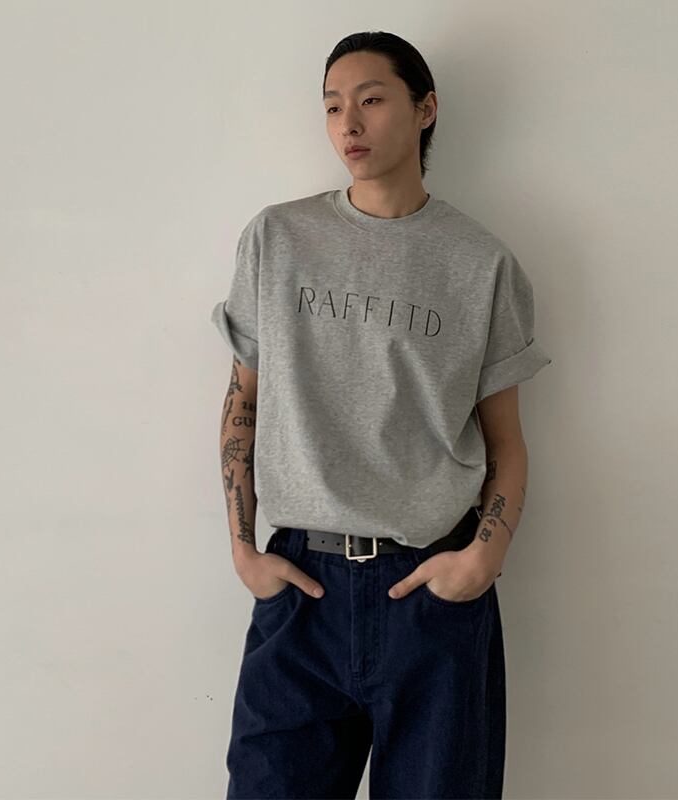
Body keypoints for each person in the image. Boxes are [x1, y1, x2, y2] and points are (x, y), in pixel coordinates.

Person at [211, 30, 553, 800]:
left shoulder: (482, 264)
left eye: (371, 100)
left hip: (429, 592)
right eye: (333, 106)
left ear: (425, 109)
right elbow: (242, 404)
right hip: (301, 590)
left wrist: (483, 559)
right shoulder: (277, 239)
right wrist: (242, 548)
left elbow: (507, 442)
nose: (349, 124)